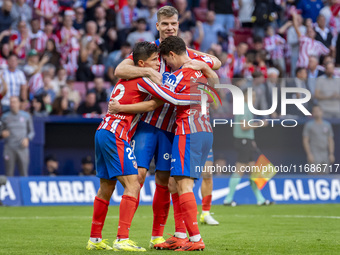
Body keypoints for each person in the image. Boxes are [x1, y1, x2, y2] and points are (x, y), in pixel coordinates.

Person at [113, 6, 221, 249]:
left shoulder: (186, 52)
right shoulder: (149, 51)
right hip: (148, 123)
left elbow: (217, 62)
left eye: (173, 23)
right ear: (157, 26)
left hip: (173, 127)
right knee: (138, 176)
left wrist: (202, 64)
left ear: (178, 24)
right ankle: (123, 237)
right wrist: (149, 73)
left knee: (167, 181)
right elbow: (120, 70)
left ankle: (161, 236)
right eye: (165, 24)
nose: (169, 27)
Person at [86, 41, 205, 252]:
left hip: (102, 130)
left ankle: (94, 239)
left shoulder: (125, 77)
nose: (158, 65)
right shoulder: (143, 78)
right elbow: (156, 102)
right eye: (153, 61)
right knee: (133, 185)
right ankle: (122, 239)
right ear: (142, 63)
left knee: (106, 187)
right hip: (116, 134)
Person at [223, 90, 271, 206]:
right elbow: (244, 126)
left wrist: (251, 141)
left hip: (247, 142)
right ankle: (228, 200)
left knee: (253, 172)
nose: (254, 98)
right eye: (251, 96)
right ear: (244, 96)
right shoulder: (244, 107)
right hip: (243, 142)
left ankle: (260, 199)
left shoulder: (245, 107)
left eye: (254, 95)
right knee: (239, 170)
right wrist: (261, 124)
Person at [1, 96, 35, 176]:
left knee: (24, 173)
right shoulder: (4, 117)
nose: (12, 104)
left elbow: (32, 132)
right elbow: (0, 130)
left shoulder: (26, 116)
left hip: (22, 148)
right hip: (9, 148)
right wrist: (2, 133)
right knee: (9, 173)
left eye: (14, 102)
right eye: (11, 102)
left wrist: (27, 138)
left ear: (19, 103)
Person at [302, 105, 335, 173]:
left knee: (325, 174)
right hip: (314, 153)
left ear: (321, 112)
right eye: (314, 111)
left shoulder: (327, 125)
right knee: (313, 174)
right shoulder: (309, 125)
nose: (316, 113)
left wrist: (331, 153)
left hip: (325, 154)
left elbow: (330, 140)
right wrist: (309, 154)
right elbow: (305, 140)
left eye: (318, 111)